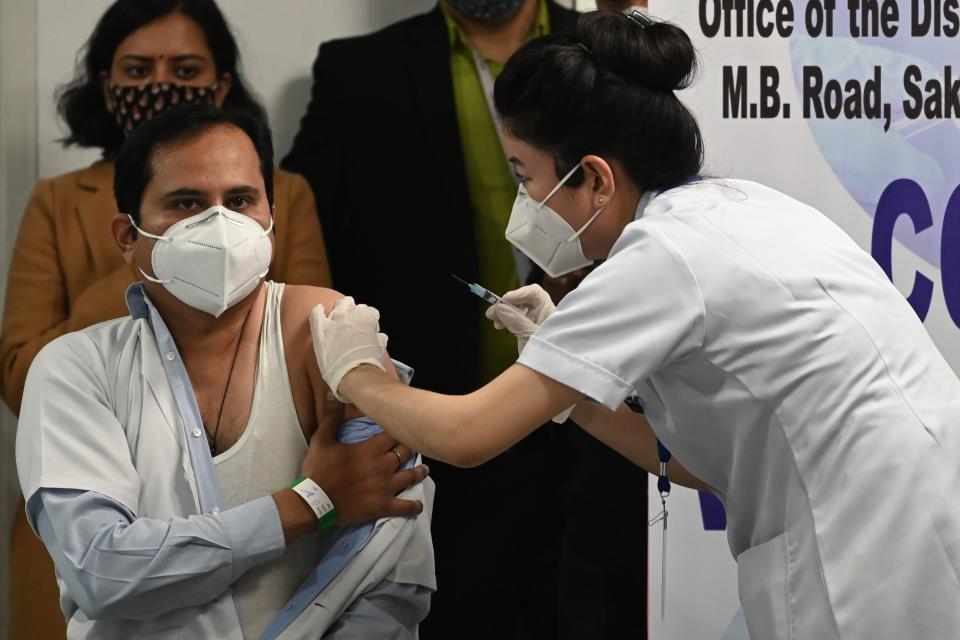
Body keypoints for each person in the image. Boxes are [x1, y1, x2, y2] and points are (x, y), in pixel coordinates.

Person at [309, 10, 960, 640]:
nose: (525, 203)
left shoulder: (659, 254)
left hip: (862, 550)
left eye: (525, 176)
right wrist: (570, 392)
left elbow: (467, 435)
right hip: (918, 506)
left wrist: (356, 369)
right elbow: (697, 463)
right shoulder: (741, 206)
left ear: (593, 177)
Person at [15, 104, 435, 639]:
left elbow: (391, 573)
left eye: (240, 201)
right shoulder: (76, 368)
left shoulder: (329, 334)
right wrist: (310, 502)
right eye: (186, 203)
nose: (219, 224)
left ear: (271, 217)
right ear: (127, 236)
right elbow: (102, 571)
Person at [1, 2, 331, 637]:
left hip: (271, 550)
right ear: (106, 85)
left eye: (185, 69)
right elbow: (19, 374)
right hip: (94, 531)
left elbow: (317, 341)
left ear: (221, 84)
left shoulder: (283, 192)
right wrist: (154, 263)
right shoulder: (60, 202)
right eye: (138, 68)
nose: (161, 85)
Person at [283, 2, 610, 638]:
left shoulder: (612, 48)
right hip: (437, 437)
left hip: (601, 423)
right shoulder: (361, 73)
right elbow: (301, 217)